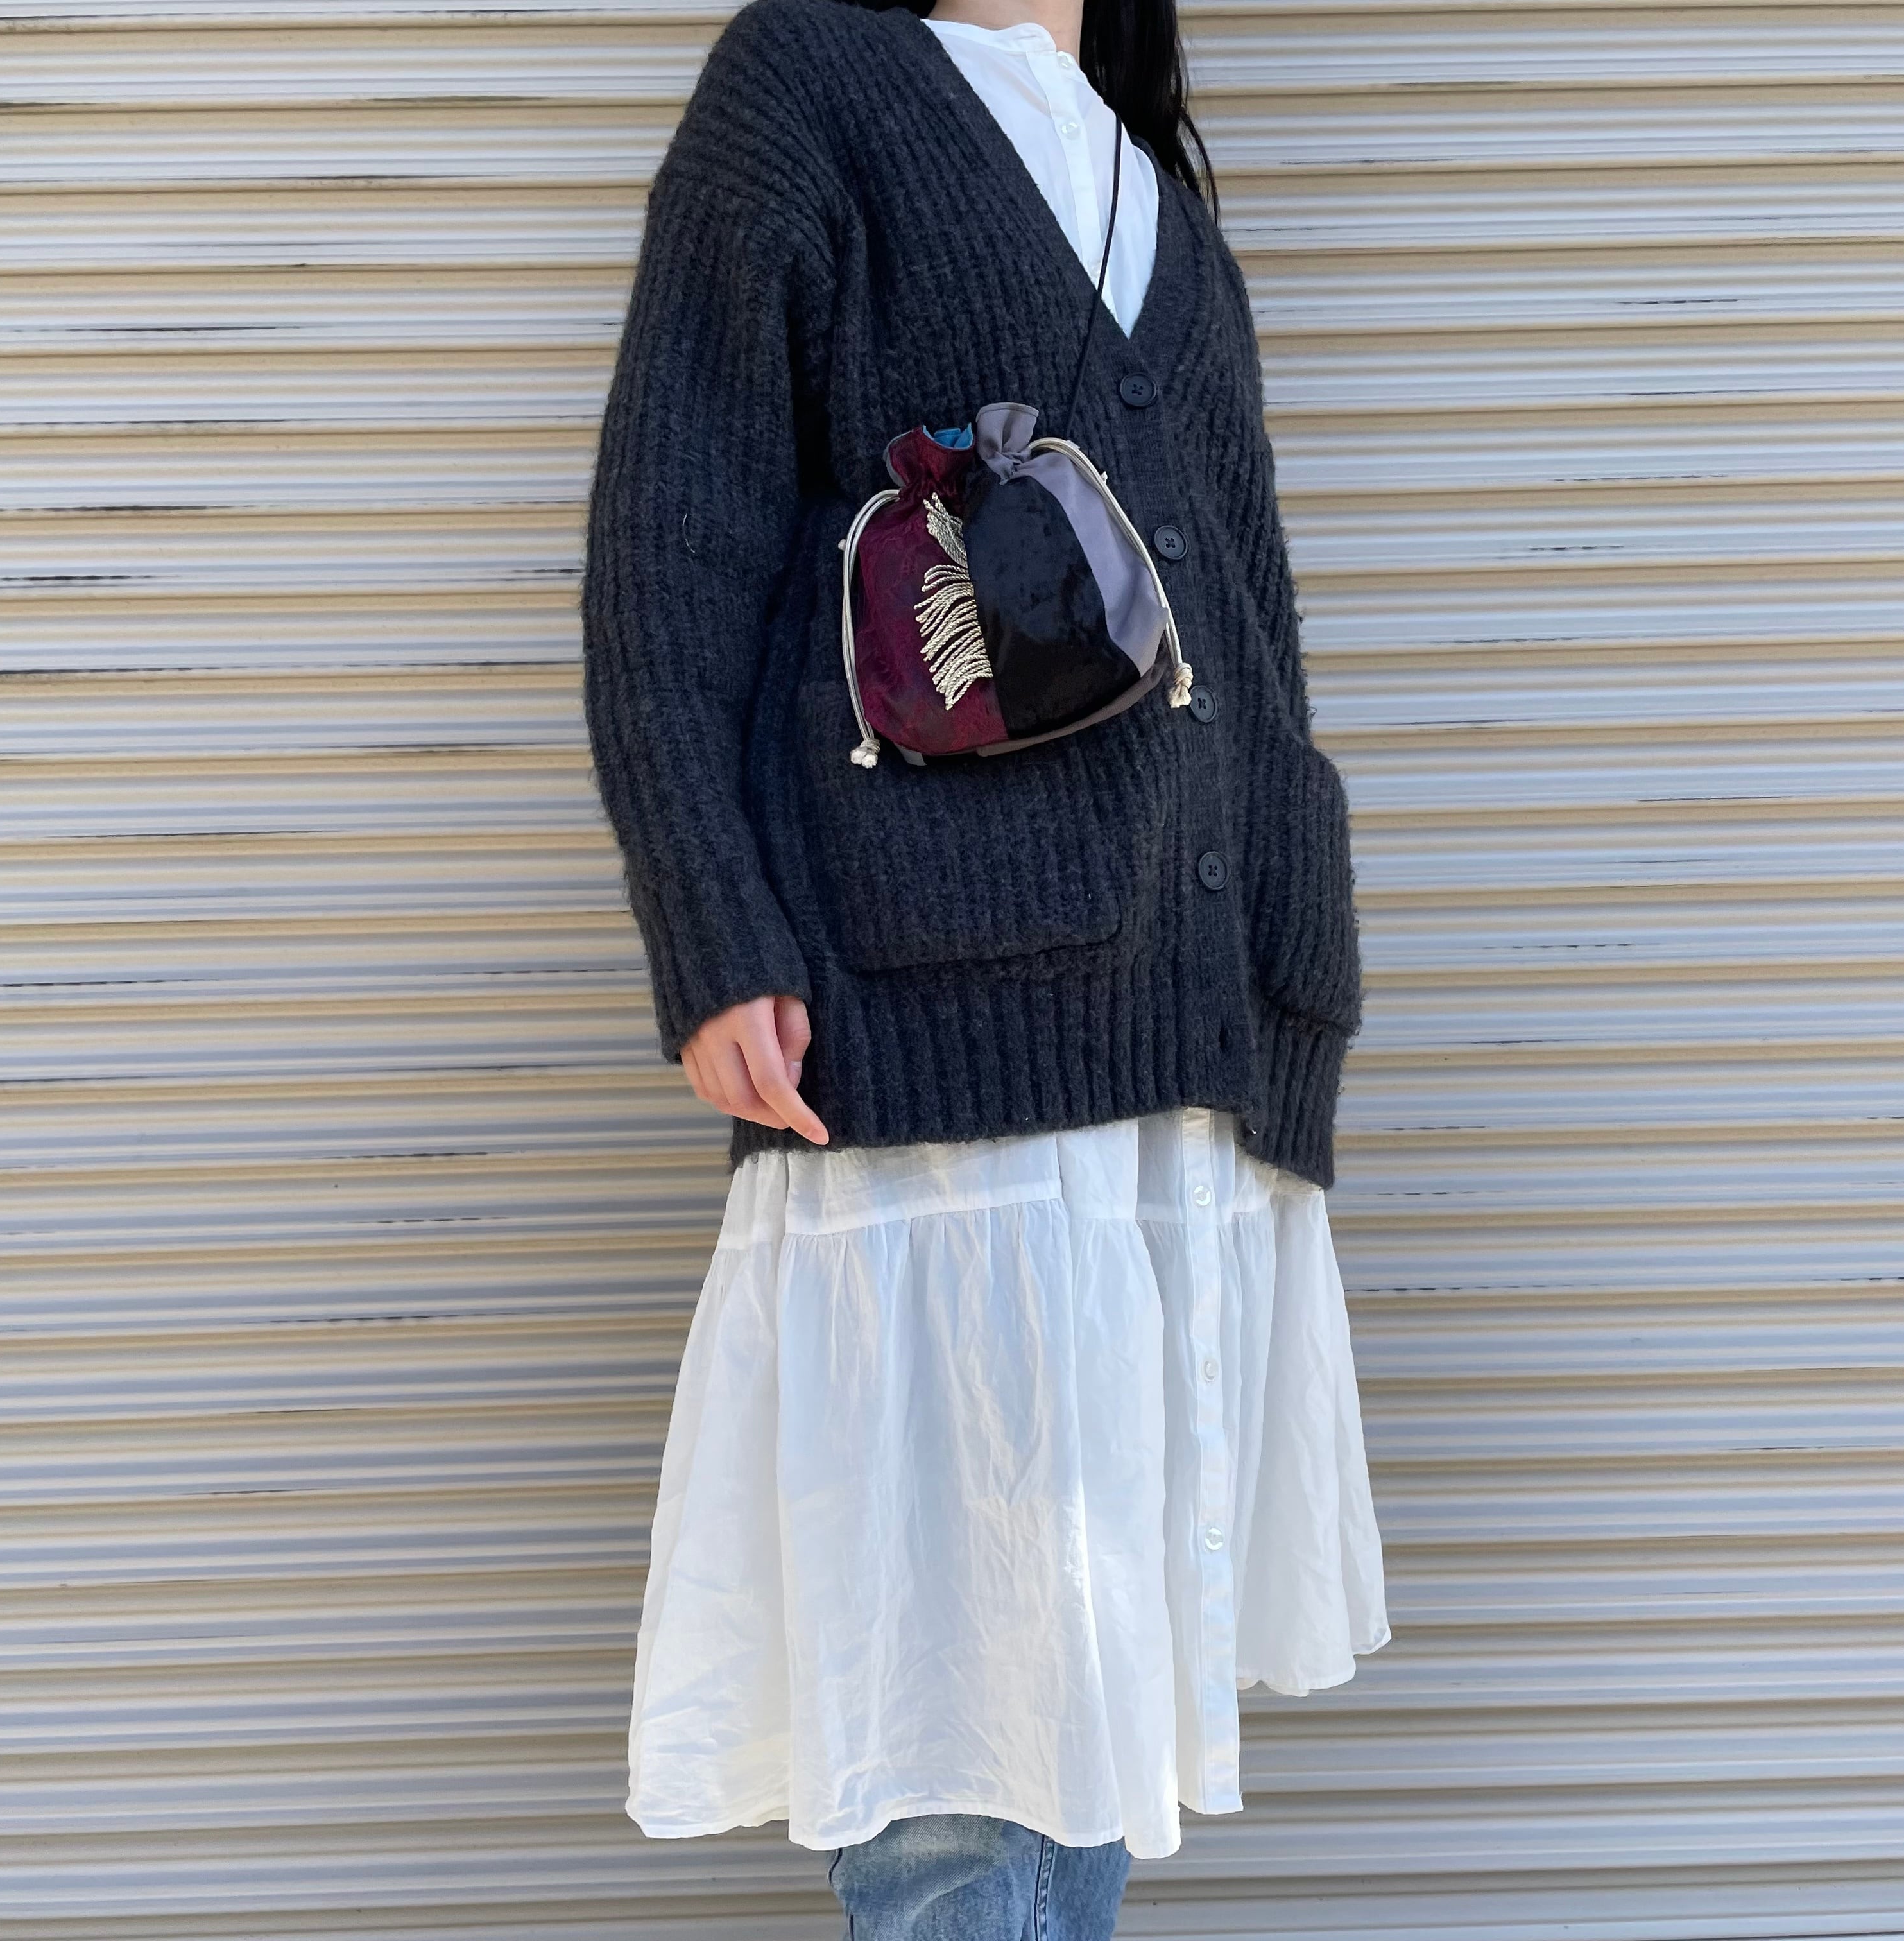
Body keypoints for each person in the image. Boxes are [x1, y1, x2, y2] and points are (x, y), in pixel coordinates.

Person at [581, 0, 1390, 1932]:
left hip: (1172, 1039)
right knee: (955, 1734)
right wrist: (712, 930)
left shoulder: (1144, 173)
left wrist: (1292, 964)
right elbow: (670, 541)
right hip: (933, 1025)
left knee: (1087, 1703)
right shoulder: (812, 85)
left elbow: (1249, 613)